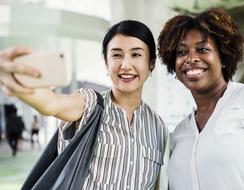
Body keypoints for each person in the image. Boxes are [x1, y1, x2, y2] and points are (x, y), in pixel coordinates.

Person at [0, 20, 168, 189]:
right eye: (116, 55)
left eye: (136, 55)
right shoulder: (89, 105)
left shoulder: (158, 127)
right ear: (106, 64)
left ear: (151, 63)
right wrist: (16, 82)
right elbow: (52, 103)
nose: (125, 65)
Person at [158, 8, 244, 190]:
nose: (191, 58)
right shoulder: (179, 133)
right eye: (181, 52)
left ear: (223, 57)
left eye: (202, 49)